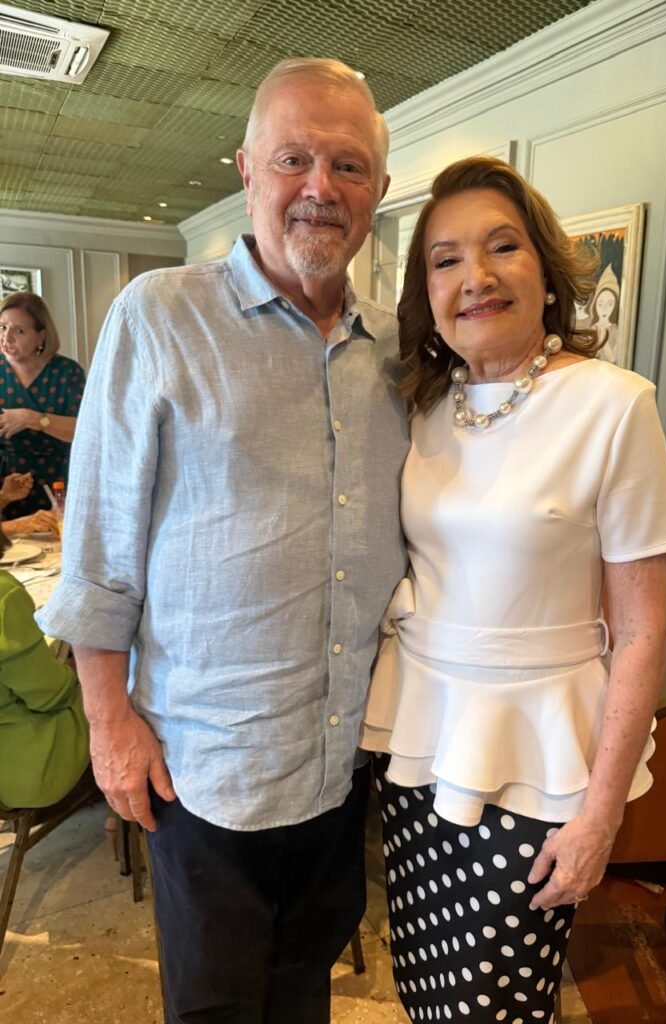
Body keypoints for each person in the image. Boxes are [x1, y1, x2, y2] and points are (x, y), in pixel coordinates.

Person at [38, 58, 408, 1024]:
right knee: (213, 1007)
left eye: (349, 165)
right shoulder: (161, 316)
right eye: (294, 159)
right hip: (204, 768)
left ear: (379, 188)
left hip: (342, 762)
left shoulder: (400, 351)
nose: (321, 187)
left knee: (303, 991)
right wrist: (109, 727)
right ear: (246, 171)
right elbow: (99, 552)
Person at [359, 156, 666, 1024]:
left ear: (546, 270)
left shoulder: (615, 406)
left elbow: (643, 631)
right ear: (426, 294)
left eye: (502, 247)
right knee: (427, 989)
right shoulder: (425, 404)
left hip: (539, 761)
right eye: (446, 260)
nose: (476, 276)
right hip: (421, 743)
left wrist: (600, 817)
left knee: (494, 1003)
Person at [0, 523, 89, 809]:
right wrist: (78, 670)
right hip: (23, 772)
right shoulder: (3, 594)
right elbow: (51, 696)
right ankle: (126, 811)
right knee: (120, 679)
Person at [0, 292, 85, 518]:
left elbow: (86, 432)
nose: (6, 338)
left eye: (19, 331)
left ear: (41, 336)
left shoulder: (67, 372)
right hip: (6, 485)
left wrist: (33, 419)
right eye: (2, 327)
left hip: (61, 480)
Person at [590, 264, 621, 364]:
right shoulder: (591, 329)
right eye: (600, 304)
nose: (604, 309)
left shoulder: (616, 330)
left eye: (610, 304)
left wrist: (604, 339)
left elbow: (613, 359)